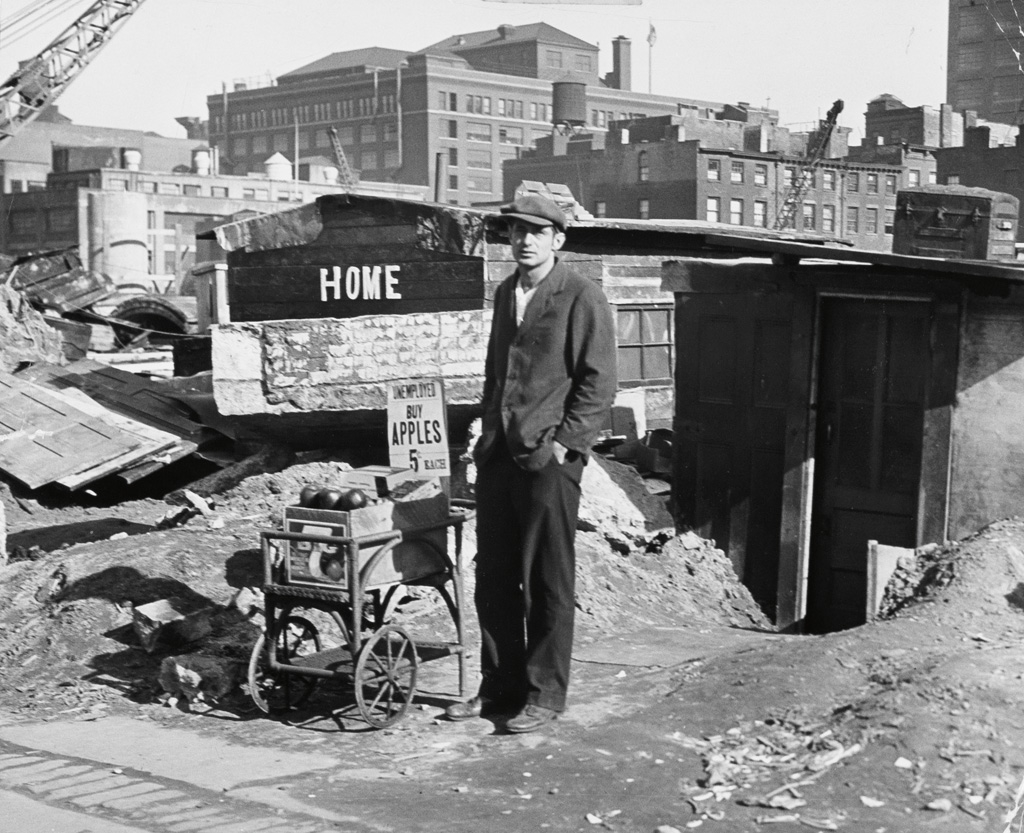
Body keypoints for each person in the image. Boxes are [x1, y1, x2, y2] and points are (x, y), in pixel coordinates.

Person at [446, 194, 617, 733]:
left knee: (546, 579)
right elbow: (499, 372)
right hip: (500, 454)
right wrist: (485, 435)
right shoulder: (505, 292)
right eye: (516, 231)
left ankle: (544, 696)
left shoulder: (582, 296)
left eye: (536, 232)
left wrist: (567, 444)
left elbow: (599, 380)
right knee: (492, 578)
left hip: (549, 458)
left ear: (557, 240)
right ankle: (500, 687)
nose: (524, 240)